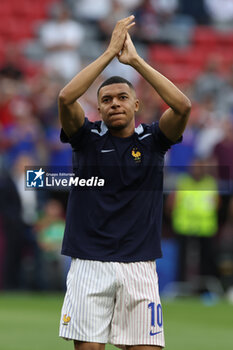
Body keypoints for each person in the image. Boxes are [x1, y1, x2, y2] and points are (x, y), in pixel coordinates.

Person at [58, 16, 191, 350]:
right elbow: (64, 99)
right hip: (90, 263)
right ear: (99, 108)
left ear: (136, 104)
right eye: (106, 99)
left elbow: (183, 105)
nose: (114, 103)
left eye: (121, 97)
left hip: (140, 265)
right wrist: (108, 53)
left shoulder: (153, 141)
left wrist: (135, 61)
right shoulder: (86, 138)